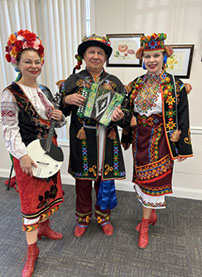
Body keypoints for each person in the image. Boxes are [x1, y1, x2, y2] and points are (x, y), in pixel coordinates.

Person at [2, 29, 67, 277]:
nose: (34, 66)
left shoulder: (45, 92)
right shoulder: (10, 94)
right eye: (27, 61)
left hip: (49, 153)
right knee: (30, 206)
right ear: (16, 62)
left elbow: (55, 123)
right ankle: (32, 253)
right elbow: (9, 130)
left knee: (48, 197)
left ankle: (45, 227)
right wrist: (23, 156)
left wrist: (60, 118)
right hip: (28, 157)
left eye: (37, 61)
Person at [121, 32, 192, 249]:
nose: (151, 60)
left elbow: (183, 115)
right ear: (143, 59)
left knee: (154, 183)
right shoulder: (135, 84)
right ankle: (150, 216)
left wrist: (181, 145)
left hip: (163, 140)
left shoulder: (175, 85)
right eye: (148, 56)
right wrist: (129, 120)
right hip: (140, 138)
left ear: (164, 57)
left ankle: (144, 223)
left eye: (156, 56)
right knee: (142, 180)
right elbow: (126, 108)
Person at [59, 35, 130, 237]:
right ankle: (82, 218)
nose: (96, 56)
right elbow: (60, 112)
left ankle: (103, 217)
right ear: (83, 56)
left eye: (100, 53)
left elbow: (127, 115)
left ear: (105, 58)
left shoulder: (115, 82)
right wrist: (67, 99)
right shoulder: (72, 81)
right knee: (82, 181)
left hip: (106, 139)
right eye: (91, 52)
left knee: (104, 179)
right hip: (82, 139)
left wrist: (121, 115)